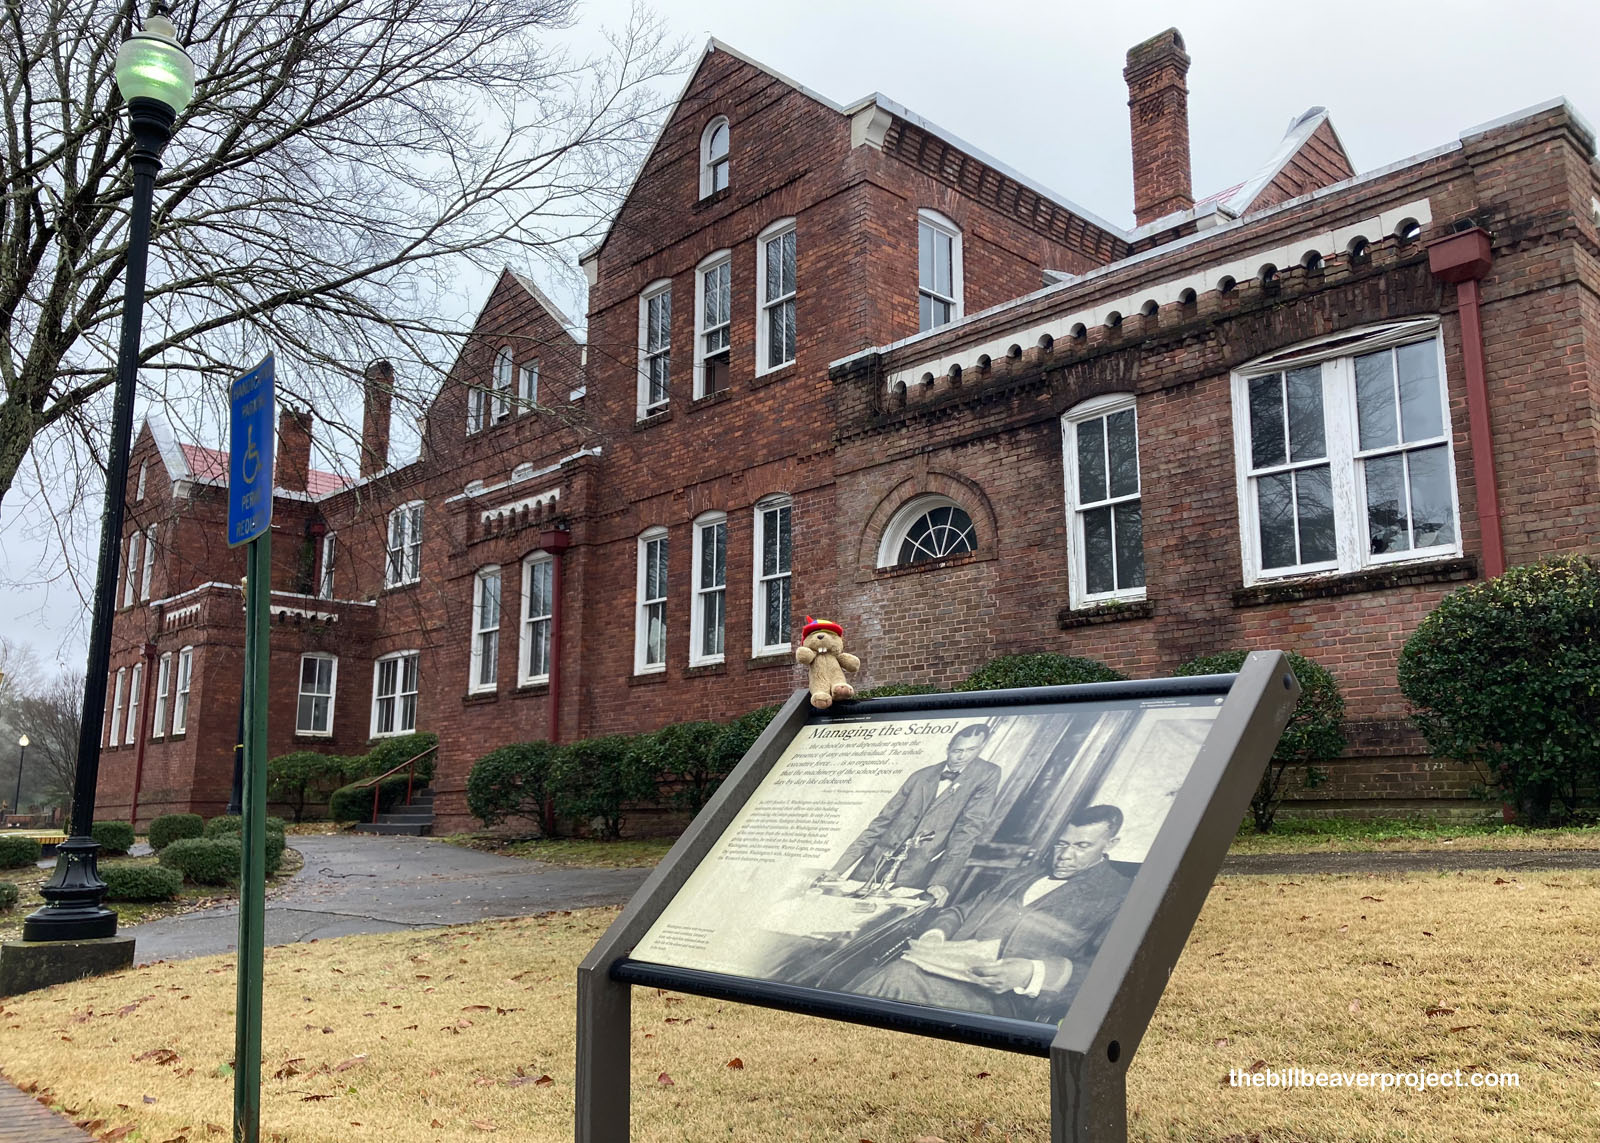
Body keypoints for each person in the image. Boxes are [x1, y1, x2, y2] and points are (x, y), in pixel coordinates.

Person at [846, 804, 1132, 1023]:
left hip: (1006, 999)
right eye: (1062, 843)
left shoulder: (1120, 894)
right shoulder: (1022, 875)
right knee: (872, 973)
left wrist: (1031, 972)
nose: (1066, 855)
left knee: (896, 978)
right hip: (949, 970)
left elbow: (1107, 974)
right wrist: (936, 934)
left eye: (1082, 846)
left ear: (1110, 844)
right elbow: (962, 910)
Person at [825, 724, 1000, 905]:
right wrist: (838, 868)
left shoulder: (987, 774)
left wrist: (940, 881)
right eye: (957, 750)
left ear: (982, 747)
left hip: (915, 874)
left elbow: (967, 831)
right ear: (948, 748)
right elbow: (880, 823)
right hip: (873, 866)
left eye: (971, 750)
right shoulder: (920, 775)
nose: (962, 756)